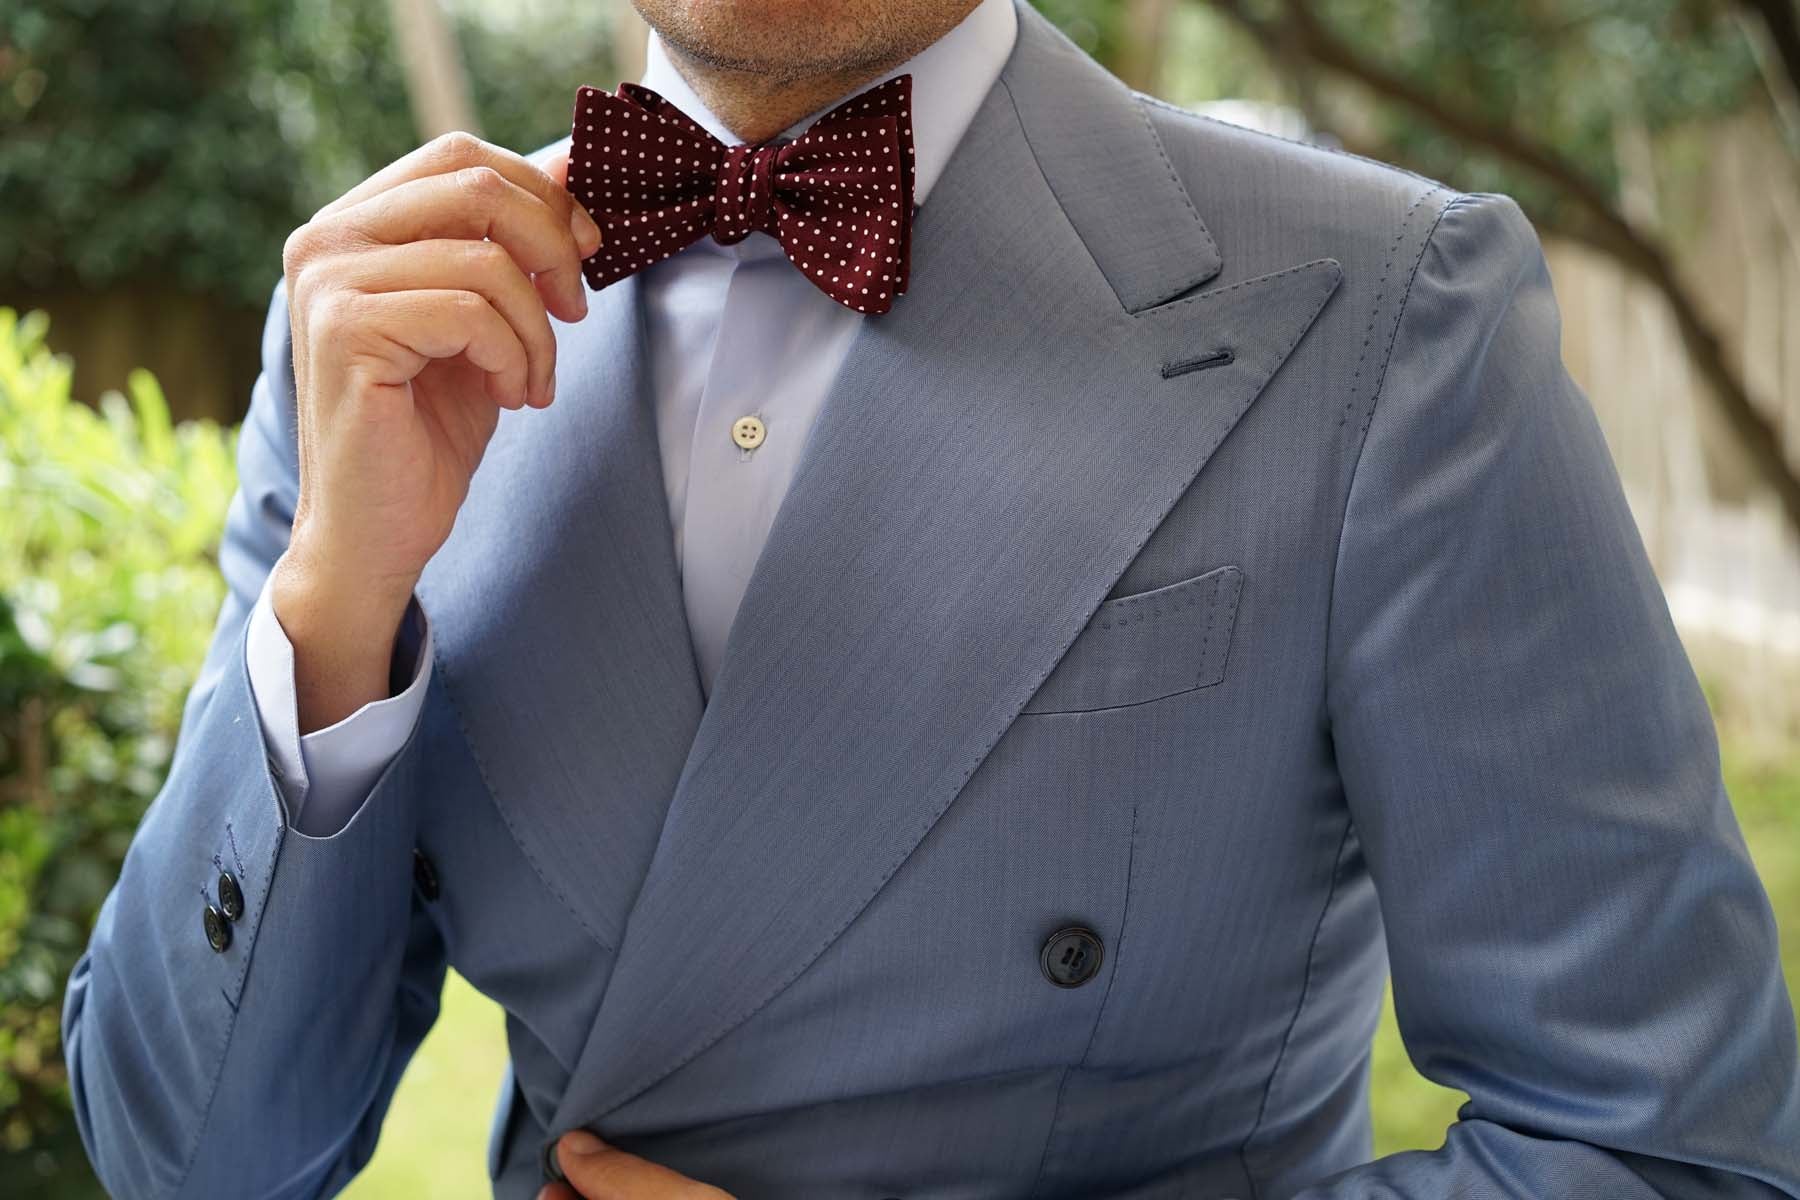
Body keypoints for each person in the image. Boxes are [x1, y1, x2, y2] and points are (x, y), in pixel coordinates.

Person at [61, 0, 1800, 1196]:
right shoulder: (379, 337)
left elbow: (1670, 1146)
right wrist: (334, 607)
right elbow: (185, 1162)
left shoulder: (1382, 321)